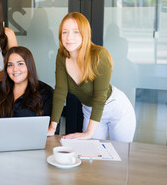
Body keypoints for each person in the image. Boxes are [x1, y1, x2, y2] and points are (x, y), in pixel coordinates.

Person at [47, 12, 136, 143]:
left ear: (85, 33)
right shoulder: (62, 56)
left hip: (114, 108)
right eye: (64, 32)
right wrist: (52, 128)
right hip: (90, 110)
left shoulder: (99, 55)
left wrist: (89, 132)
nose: (68, 37)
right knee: (90, 155)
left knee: (120, 154)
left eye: (75, 32)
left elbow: (100, 97)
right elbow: (60, 92)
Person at [0, 46, 53, 129]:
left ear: (29, 66)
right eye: (10, 65)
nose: (15, 69)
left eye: (20, 64)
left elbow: (51, 128)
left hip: (30, 140)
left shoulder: (46, 92)